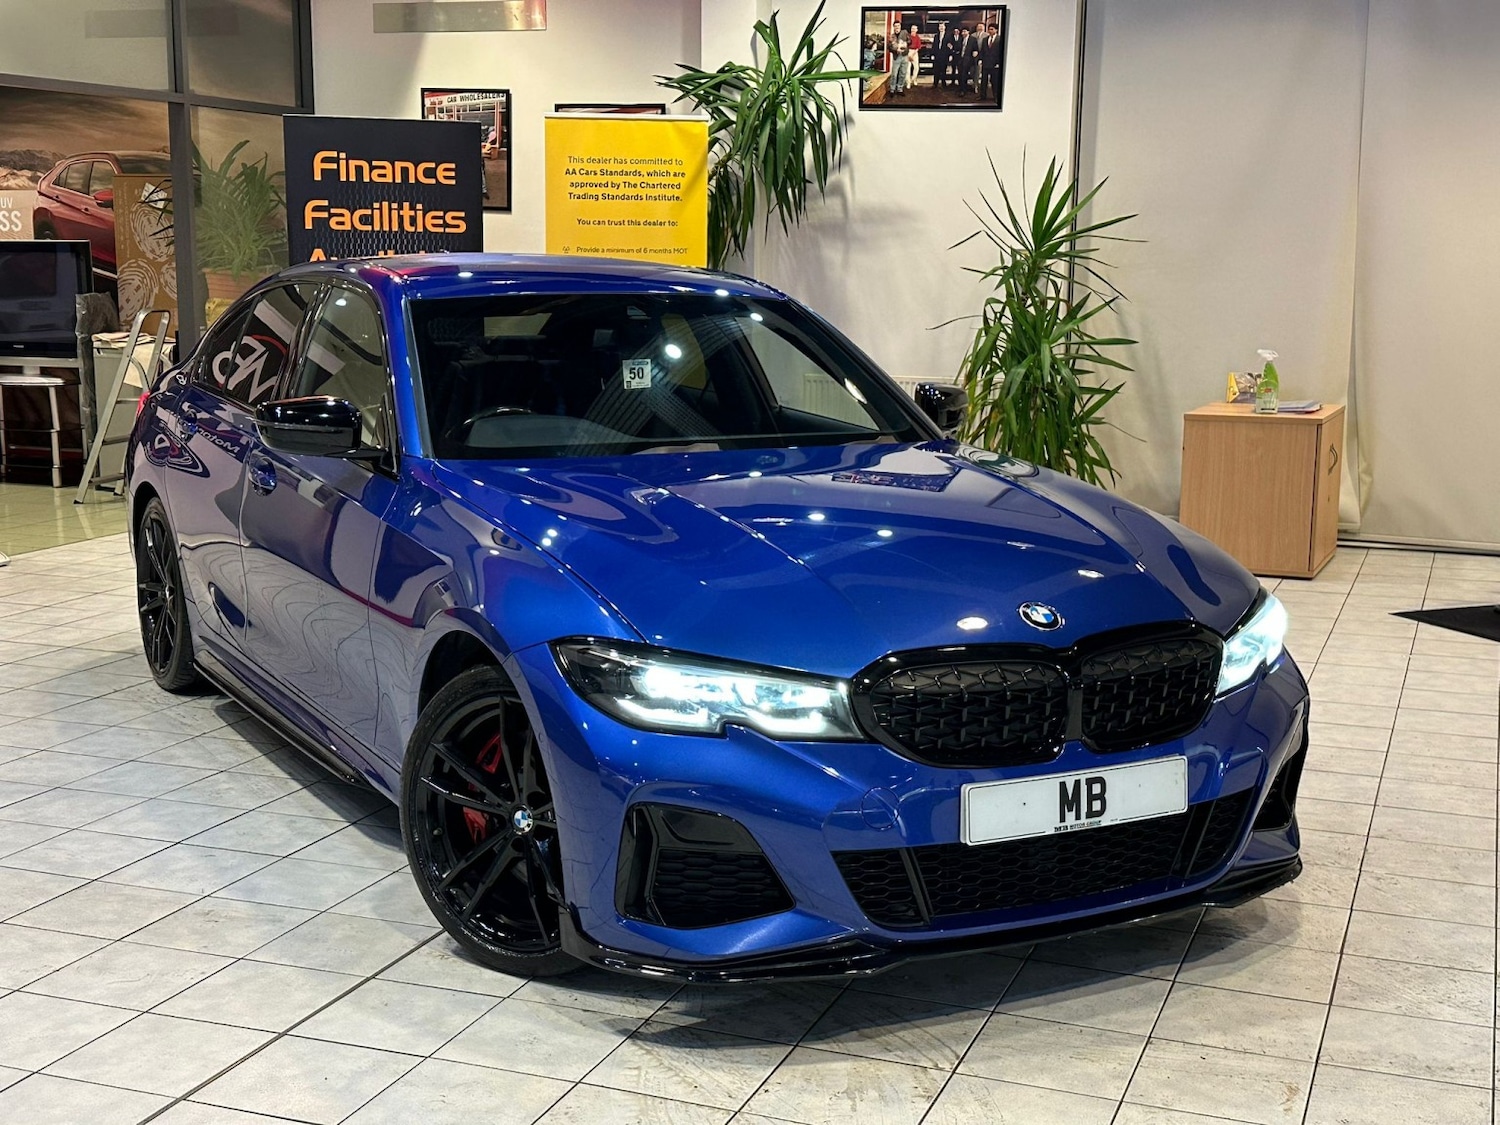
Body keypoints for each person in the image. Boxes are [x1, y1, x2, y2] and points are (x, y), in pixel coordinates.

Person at [983, 21, 1003, 103]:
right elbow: (983, 51)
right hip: (985, 63)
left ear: (996, 30)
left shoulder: (1000, 39)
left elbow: (1001, 52)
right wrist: (980, 60)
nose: (990, 31)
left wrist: (999, 63)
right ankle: (982, 96)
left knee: (994, 81)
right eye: (989, 29)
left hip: (995, 64)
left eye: (992, 29)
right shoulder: (985, 39)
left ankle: (996, 96)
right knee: (984, 81)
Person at [888, 26, 910, 96]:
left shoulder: (905, 33)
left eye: (898, 26)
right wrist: (896, 50)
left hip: (904, 56)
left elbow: (910, 42)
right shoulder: (892, 36)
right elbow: (889, 48)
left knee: (903, 73)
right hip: (896, 57)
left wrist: (906, 43)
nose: (897, 27)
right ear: (894, 27)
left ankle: (900, 89)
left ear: (900, 26)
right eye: (895, 26)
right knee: (894, 74)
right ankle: (892, 89)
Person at [958, 25, 980, 94]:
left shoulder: (973, 39)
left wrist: (975, 53)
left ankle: (963, 90)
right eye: (962, 32)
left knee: (964, 74)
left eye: (965, 31)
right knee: (960, 74)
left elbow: (976, 49)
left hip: (968, 59)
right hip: (960, 59)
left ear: (968, 32)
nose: (963, 33)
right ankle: (961, 88)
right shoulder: (960, 39)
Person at [933, 21, 955, 88]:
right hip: (937, 55)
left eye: (942, 26)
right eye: (940, 26)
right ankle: (935, 84)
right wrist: (933, 54)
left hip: (945, 55)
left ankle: (943, 84)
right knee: (936, 70)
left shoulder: (949, 36)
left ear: (945, 27)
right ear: (938, 28)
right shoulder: (936, 36)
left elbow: (951, 46)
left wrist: (950, 55)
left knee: (943, 70)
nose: (941, 28)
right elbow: (934, 46)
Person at [906, 24, 924, 91]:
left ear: (917, 30)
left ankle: (914, 79)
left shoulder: (917, 37)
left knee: (916, 67)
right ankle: (908, 82)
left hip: (915, 52)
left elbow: (918, 47)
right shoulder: (908, 36)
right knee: (907, 69)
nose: (913, 30)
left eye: (914, 29)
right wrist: (908, 54)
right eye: (912, 28)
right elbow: (905, 45)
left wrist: (913, 54)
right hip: (908, 52)